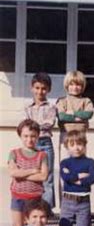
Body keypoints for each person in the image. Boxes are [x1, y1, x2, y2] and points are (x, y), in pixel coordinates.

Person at [57, 130, 94, 226]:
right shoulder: (65, 163)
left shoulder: (90, 162)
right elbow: (66, 177)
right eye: (72, 144)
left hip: (83, 202)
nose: (76, 147)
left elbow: (92, 178)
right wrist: (80, 176)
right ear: (67, 146)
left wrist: (75, 178)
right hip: (68, 200)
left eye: (79, 144)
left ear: (84, 145)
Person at [8, 119, 48, 226]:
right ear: (20, 136)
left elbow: (43, 176)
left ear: (37, 137)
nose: (29, 139)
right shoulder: (14, 153)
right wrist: (32, 171)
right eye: (26, 136)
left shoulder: (42, 155)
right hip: (18, 197)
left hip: (35, 198)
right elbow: (13, 172)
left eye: (33, 136)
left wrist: (22, 174)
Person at [24, 72, 57, 213]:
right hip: (31, 144)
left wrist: (34, 125)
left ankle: (46, 208)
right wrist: (34, 126)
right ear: (32, 88)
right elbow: (25, 125)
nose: (40, 91)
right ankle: (31, 209)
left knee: (47, 176)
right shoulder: (27, 108)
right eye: (37, 88)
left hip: (45, 143)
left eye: (43, 88)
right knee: (32, 175)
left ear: (48, 89)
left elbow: (49, 123)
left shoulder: (51, 107)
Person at [56, 70, 94, 158]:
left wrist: (72, 113)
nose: (75, 87)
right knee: (65, 159)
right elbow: (62, 116)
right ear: (67, 86)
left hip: (81, 134)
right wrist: (78, 118)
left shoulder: (86, 100)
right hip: (66, 133)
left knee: (81, 159)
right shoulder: (62, 101)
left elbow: (88, 114)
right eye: (71, 84)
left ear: (82, 86)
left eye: (78, 85)